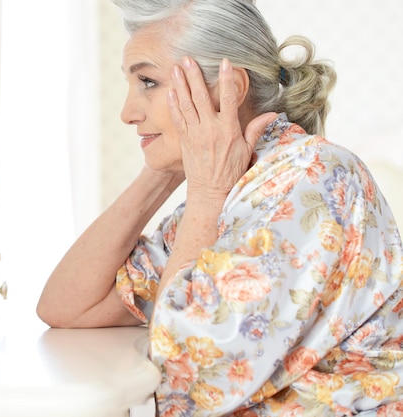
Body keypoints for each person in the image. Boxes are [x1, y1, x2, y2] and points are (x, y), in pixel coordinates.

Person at [36, 0, 403, 415]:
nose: (127, 112)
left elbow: (188, 377)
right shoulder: (230, 188)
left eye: (148, 82)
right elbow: (68, 306)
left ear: (227, 88)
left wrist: (206, 189)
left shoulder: (308, 177)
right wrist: (168, 170)